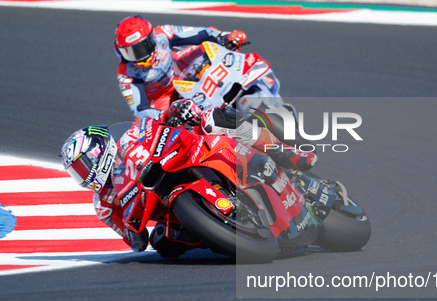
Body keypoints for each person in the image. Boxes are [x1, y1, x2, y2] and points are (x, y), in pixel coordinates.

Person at [60, 99, 316, 257]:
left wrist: (178, 110)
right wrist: (133, 233)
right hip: (165, 201)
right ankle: (229, 230)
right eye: (77, 172)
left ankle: (285, 153)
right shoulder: (103, 204)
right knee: (165, 244)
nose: (84, 174)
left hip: (184, 153)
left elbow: (156, 118)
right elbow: (133, 241)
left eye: (83, 164)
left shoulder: (128, 137)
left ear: (98, 149)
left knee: (214, 119)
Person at [114, 15, 248, 121]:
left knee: (202, 48)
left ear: (151, 39)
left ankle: (235, 80)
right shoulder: (125, 74)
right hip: (161, 100)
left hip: (180, 75)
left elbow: (200, 34)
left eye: (140, 49)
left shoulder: (162, 34)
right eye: (129, 52)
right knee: (149, 126)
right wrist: (170, 114)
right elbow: (140, 110)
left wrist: (223, 37)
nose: (138, 57)